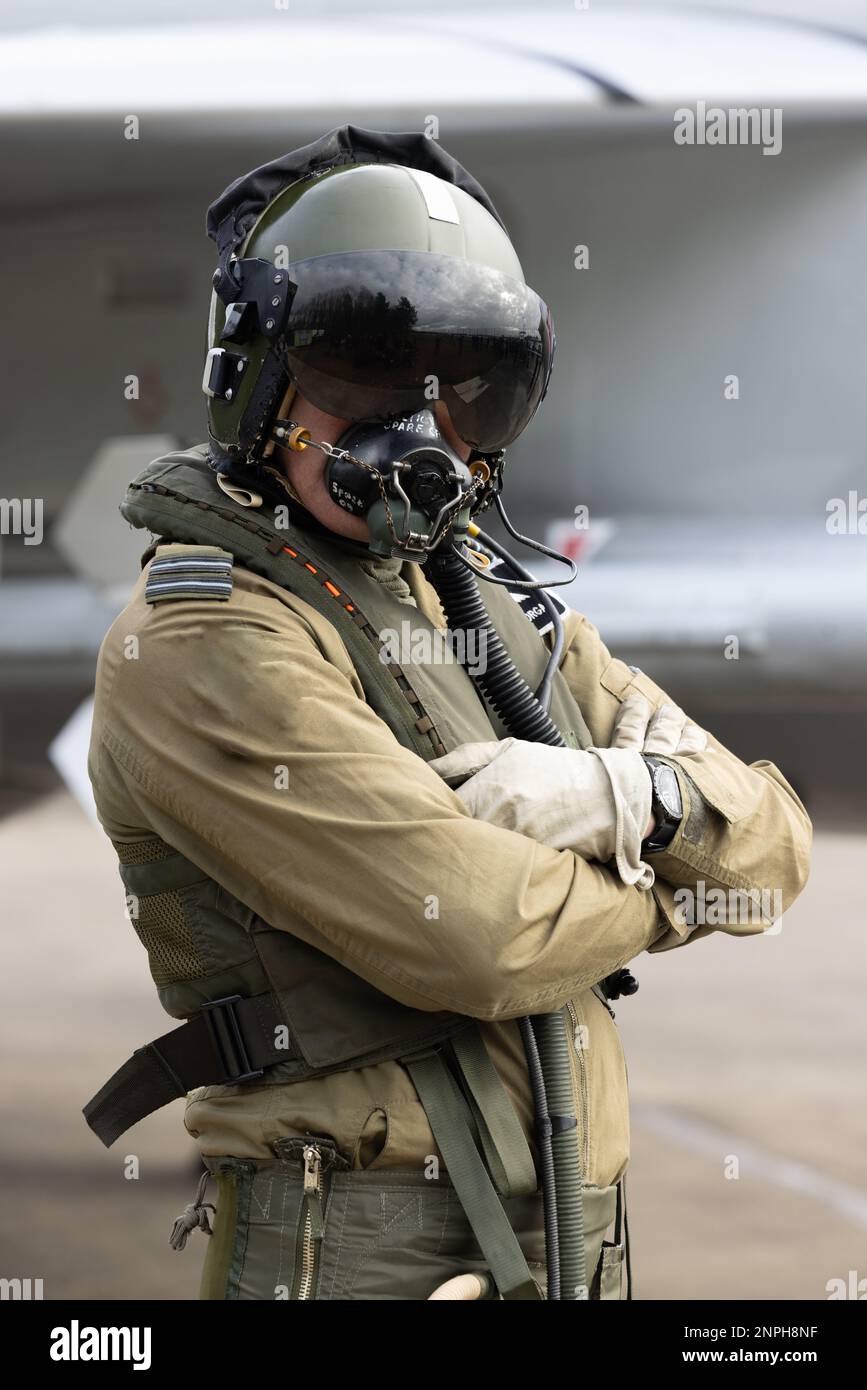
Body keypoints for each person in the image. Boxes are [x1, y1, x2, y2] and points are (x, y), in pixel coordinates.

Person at [84, 125, 811, 1301]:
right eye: (363, 376)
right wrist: (669, 876)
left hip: (574, 1242)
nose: (419, 436)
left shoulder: (487, 610)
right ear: (256, 378)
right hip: (363, 1252)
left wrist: (632, 794)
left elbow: (775, 846)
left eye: (460, 389)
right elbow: (481, 936)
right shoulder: (209, 639)